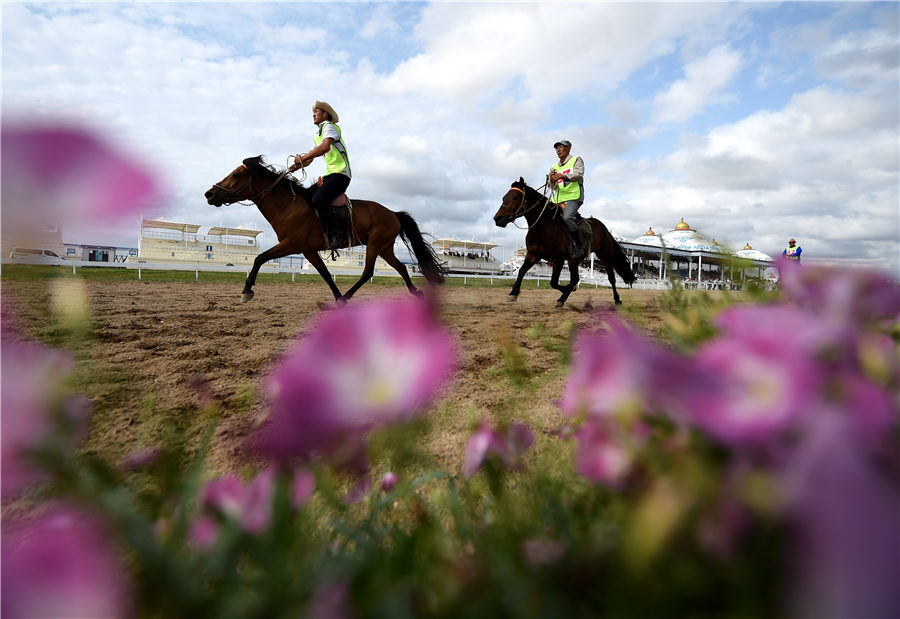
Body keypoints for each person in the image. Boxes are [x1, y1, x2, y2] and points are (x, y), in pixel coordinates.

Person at [290, 100, 351, 248]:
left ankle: (338, 235)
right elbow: (311, 156)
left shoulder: (329, 127)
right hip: (330, 174)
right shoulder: (318, 135)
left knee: (318, 200)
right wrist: (298, 165)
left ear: (325, 114)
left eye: (316, 112)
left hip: (341, 174)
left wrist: (302, 158)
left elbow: (324, 148)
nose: (313, 115)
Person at [548, 139, 587, 258]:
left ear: (568, 148)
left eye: (561, 147)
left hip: (573, 196)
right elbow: (552, 187)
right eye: (557, 148)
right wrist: (551, 179)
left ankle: (580, 246)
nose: (558, 150)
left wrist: (562, 175)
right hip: (558, 198)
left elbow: (579, 175)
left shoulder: (576, 160)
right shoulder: (554, 167)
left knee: (567, 217)